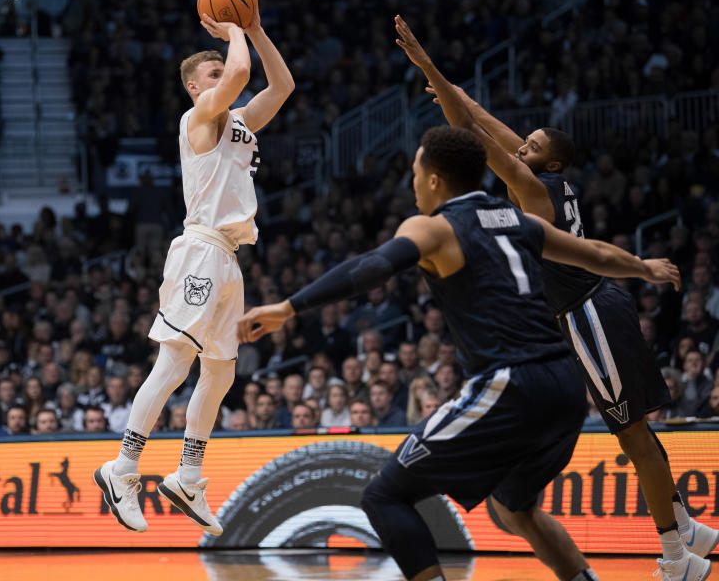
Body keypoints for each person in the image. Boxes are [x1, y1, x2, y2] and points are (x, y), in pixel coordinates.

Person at [237, 123, 684, 581]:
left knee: (383, 497)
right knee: (515, 509)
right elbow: (597, 256)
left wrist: (289, 307)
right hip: (566, 387)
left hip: (512, 383)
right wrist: (644, 267)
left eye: (415, 172)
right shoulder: (520, 220)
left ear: (433, 179)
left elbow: (372, 267)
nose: (412, 184)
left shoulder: (435, 227)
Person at [399, 12, 719, 578]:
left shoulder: (532, 188)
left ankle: (676, 558)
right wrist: (445, 83)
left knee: (632, 436)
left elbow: (471, 139)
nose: (522, 144)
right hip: (592, 310)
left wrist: (430, 68)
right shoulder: (544, 178)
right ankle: (686, 527)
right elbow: (476, 118)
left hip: (590, 313)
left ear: (551, 162)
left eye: (533, 144)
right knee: (637, 431)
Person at [94, 0, 294, 535]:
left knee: (221, 371)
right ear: (195, 86)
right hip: (201, 248)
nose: (226, 74)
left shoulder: (237, 121)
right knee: (175, 364)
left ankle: (187, 474)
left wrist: (254, 28)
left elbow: (282, 87)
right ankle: (123, 468)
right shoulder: (198, 116)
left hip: (229, 257)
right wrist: (231, 33)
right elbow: (236, 76)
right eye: (213, 71)